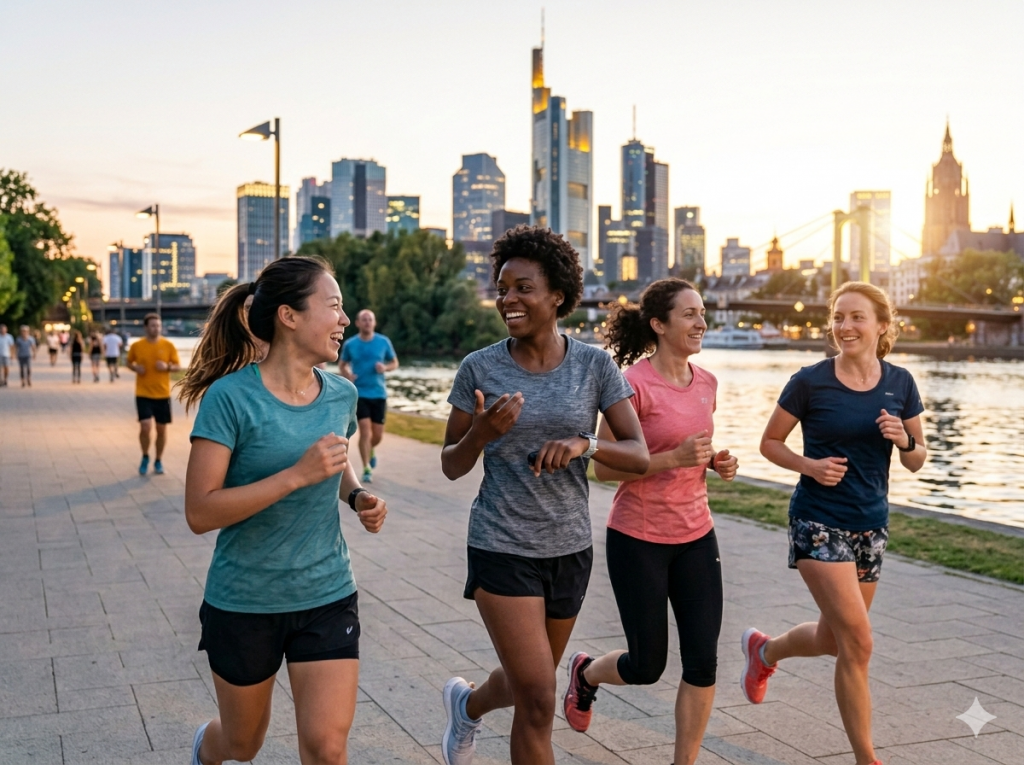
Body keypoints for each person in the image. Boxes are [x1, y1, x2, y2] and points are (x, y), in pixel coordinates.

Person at [438, 226, 649, 765]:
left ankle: (468, 706)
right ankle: (475, 709)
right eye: (503, 289)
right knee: (538, 700)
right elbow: (450, 464)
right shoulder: (479, 368)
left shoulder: (595, 365)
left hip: (569, 549)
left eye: (523, 288)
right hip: (501, 545)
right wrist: (481, 433)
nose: (508, 299)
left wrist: (586, 443)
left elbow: (638, 454)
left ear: (557, 295)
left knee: (523, 684)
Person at [177, 255, 388, 765]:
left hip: (326, 592)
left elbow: (334, 463)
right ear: (289, 316)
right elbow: (200, 512)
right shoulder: (229, 398)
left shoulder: (342, 393)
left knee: (326, 747)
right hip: (245, 601)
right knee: (242, 743)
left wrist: (357, 495)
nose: (343, 319)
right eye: (333, 307)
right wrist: (295, 475)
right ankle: (206, 751)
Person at [742, 282, 926, 765]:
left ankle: (765, 653)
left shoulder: (901, 382)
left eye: (857, 317)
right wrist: (811, 467)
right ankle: (868, 759)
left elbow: (918, 460)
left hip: (872, 525)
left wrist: (904, 440)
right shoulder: (810, 381)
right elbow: (770, 443)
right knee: (859, 644)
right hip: (818, 521)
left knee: (834, 638)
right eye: (839, 317)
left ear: (882, 326)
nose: (845, 326)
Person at [560, 279, 738, 765]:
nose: (701, 322)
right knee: (647, 666)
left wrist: (710, 461)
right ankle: (587, 674)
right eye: (689, 314)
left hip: (696, 534)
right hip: (638, 538)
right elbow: (604, 466)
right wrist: (674, 458)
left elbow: (690, 456)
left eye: (702, 313)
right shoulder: (631, 385)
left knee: (703, 661)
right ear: (659, 324)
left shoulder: (707, 383)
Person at [339, 309, 398, 483]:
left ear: (374, 322)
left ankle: (370, 449)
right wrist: (347, 374)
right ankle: (366, 468)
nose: (367, 322)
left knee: (377, 435)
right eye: (364, 320)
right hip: (359, 393)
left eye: (370, 319)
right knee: (365, 431)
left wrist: (385, 368)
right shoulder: (351, 344)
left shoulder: (383, 342)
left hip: (379, 394)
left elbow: (394, 362)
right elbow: (342, 364)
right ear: (357, 323)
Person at [126, 314, 181, 476]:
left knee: (161, 429)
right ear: (145, 327)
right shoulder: (137, 346)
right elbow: (129, 362)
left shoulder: (168, 345)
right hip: (143, 393)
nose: (156, 328)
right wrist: (136, 368)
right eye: (152, 325)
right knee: (145, 426)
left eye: (158, 325)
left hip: (162, 394)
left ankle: (158, 460)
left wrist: (167, 367)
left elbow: (178, 366)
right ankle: (144, 456)